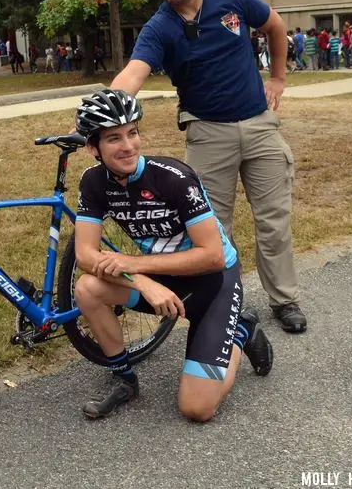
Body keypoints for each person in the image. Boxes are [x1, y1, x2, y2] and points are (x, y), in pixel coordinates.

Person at [109, 0, 307, 333]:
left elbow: (275, 25)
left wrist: (279, 78)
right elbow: (134, 73)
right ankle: (226, 304)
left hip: (259, 126)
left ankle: (284, 298)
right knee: (212, 228)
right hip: (207, 133)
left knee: (273, 220)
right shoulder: (159, 27)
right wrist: (105, 112)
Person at [72, 89, 273, 420]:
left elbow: (213, 256)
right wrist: (143, 282)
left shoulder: (174, 178)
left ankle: (240, 330)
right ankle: (124, 379)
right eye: (113, 138)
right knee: (86, 288)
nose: (128, 146)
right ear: (93, 147)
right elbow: (85, 255)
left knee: (196, 409)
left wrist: (134, 264)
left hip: (214, 284)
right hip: (164, 280)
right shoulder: (93, 182)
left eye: (133, 133)